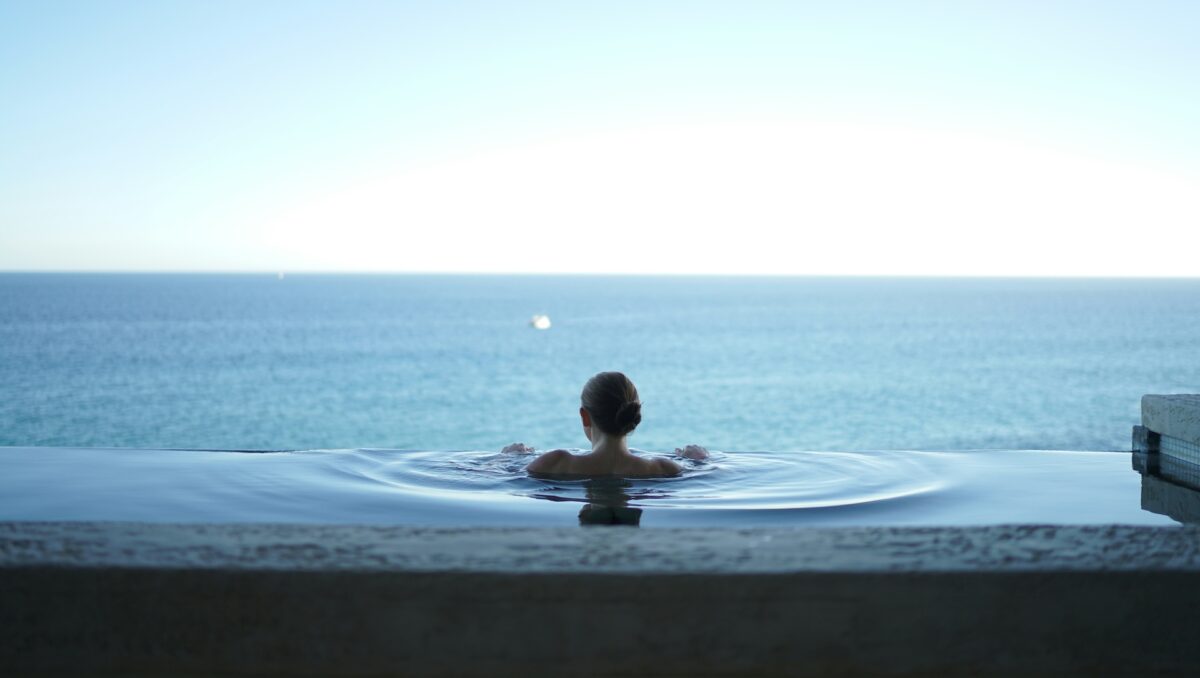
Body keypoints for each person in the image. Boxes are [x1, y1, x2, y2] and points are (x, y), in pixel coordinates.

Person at [515, 371, 708, 478]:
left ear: (585, 417)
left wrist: (508, 457)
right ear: (635, 417)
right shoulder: (663, 469)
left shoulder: (555, 463)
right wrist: (699, 460)